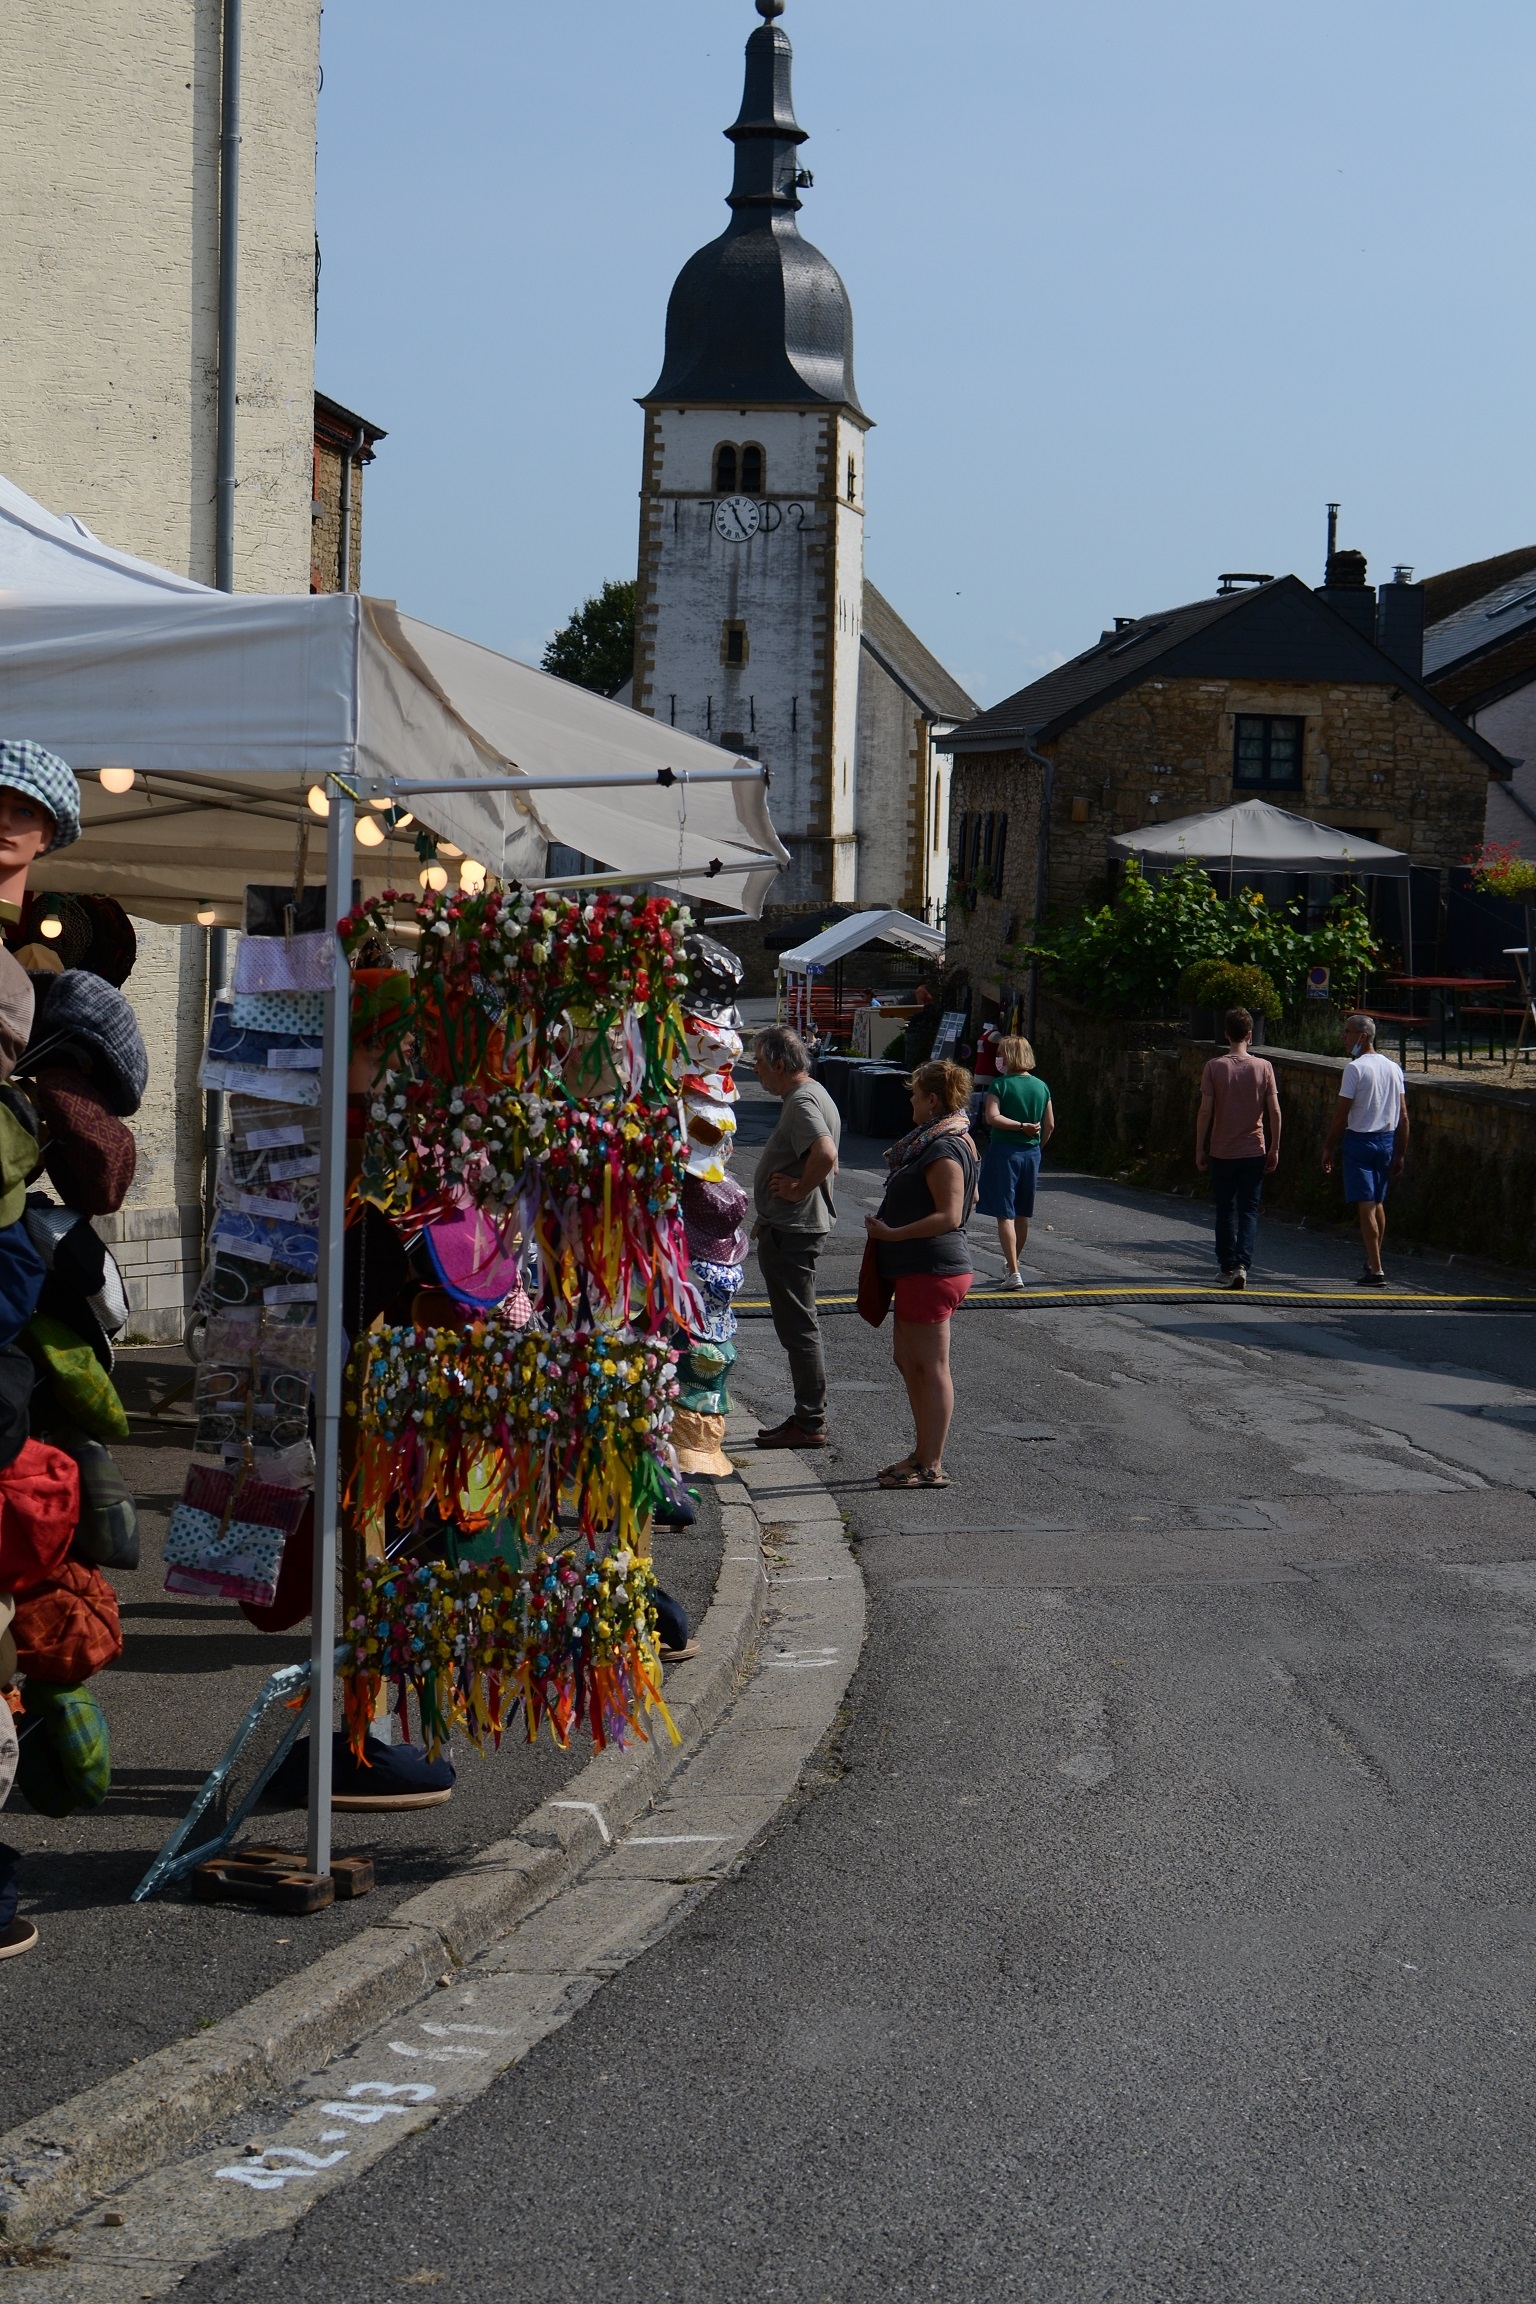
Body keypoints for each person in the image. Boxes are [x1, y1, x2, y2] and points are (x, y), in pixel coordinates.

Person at [864, 1059, 979, 1489]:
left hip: (931, 1267)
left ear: (932, 1100)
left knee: (930, 1368)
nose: (910, 1100)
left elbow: (951, 1214)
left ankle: (931, 1463)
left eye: (915, 1093)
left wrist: (894, 1233)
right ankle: (921, 1453)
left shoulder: (944, 1146)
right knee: (909, 1362)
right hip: (919, 1268)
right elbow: (974, 1196)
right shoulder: (942, 1140)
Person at [751, 1025, 841, 1450]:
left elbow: (825, 1154)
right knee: (798, 1324)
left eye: (759, 1063)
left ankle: (809, 1420)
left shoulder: (803, 1099)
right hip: (792, 1225)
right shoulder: (811, 1093)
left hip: (793, 1228)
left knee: (798, 1327)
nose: (755, 1071)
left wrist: (798, 1189)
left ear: (781, 1065)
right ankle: (807, 1417)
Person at [1194, 1006, 1282, 1291]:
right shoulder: (1263, 1067)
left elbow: (1205, 1111)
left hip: (1222, 1149)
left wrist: (1199, 1146)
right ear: (1249, 1034)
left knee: (1224, 1210)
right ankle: (1243, 1264)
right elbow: (1275, 1112)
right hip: (1254, 1149)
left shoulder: (1214, 1067)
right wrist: (1275, 1148)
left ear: (1225, 1034)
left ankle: (1226, 1266)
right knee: (1249, 1211)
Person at [1322, 1012, 1408, 1287]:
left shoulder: (1355, 1069)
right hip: (1386, 1140)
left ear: (1363, 1036)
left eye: (1347, 1032)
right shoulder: (1394, 1068)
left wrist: (1329, 1146)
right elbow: (1404, 1115)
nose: (1343, 1037)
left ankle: (1377, 1269)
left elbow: (1341, 1114)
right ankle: (1373, 1260)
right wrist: (1401, 1152)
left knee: (1366, 1206)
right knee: (1378, 1203)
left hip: (1360, 1140)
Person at [976, 1034, 1054, 1288]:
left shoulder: (1000, 1085)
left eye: (1000, 1053)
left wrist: (1020, 1127)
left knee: (1005, 1214)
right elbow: (1050, 1124)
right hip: (1031, 1154)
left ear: (1009, 1056)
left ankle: (1014, 1272)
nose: (997, 1057)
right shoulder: (1042, 1086)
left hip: (1004, 1152)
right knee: (1022, 1214)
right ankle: (1012, 1264)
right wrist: (1036, 1146)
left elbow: (992, 1117)